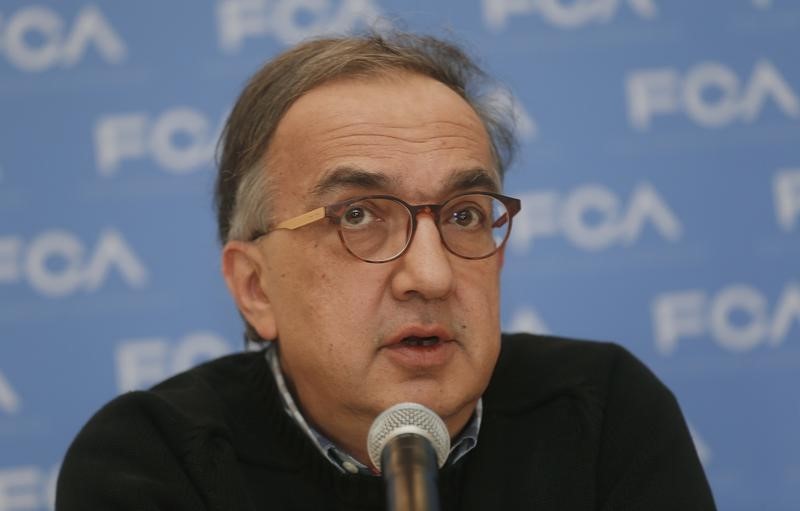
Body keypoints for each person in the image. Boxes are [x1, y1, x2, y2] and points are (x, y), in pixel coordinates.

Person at [56, 32, 716, 510]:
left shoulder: (601, 413)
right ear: (256, 287)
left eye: (463, 215)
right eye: (358, 216)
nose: (429, 275)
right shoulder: (154, 460)